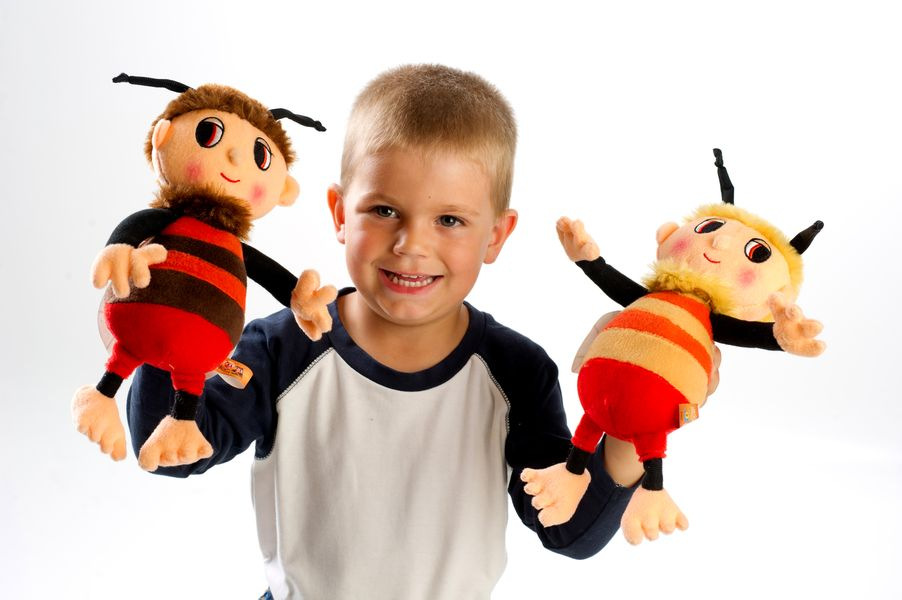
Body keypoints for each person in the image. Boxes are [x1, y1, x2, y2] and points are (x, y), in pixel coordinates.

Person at [127, 64, 645, 600]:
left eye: (449, 220)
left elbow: (568, 530)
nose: (410, 244)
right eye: (384, 210)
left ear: (496, 235)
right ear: (339, 213)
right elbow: (169, 449)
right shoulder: (284, 348)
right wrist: (163, 309)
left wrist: (637, 417)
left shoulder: (518, 372)